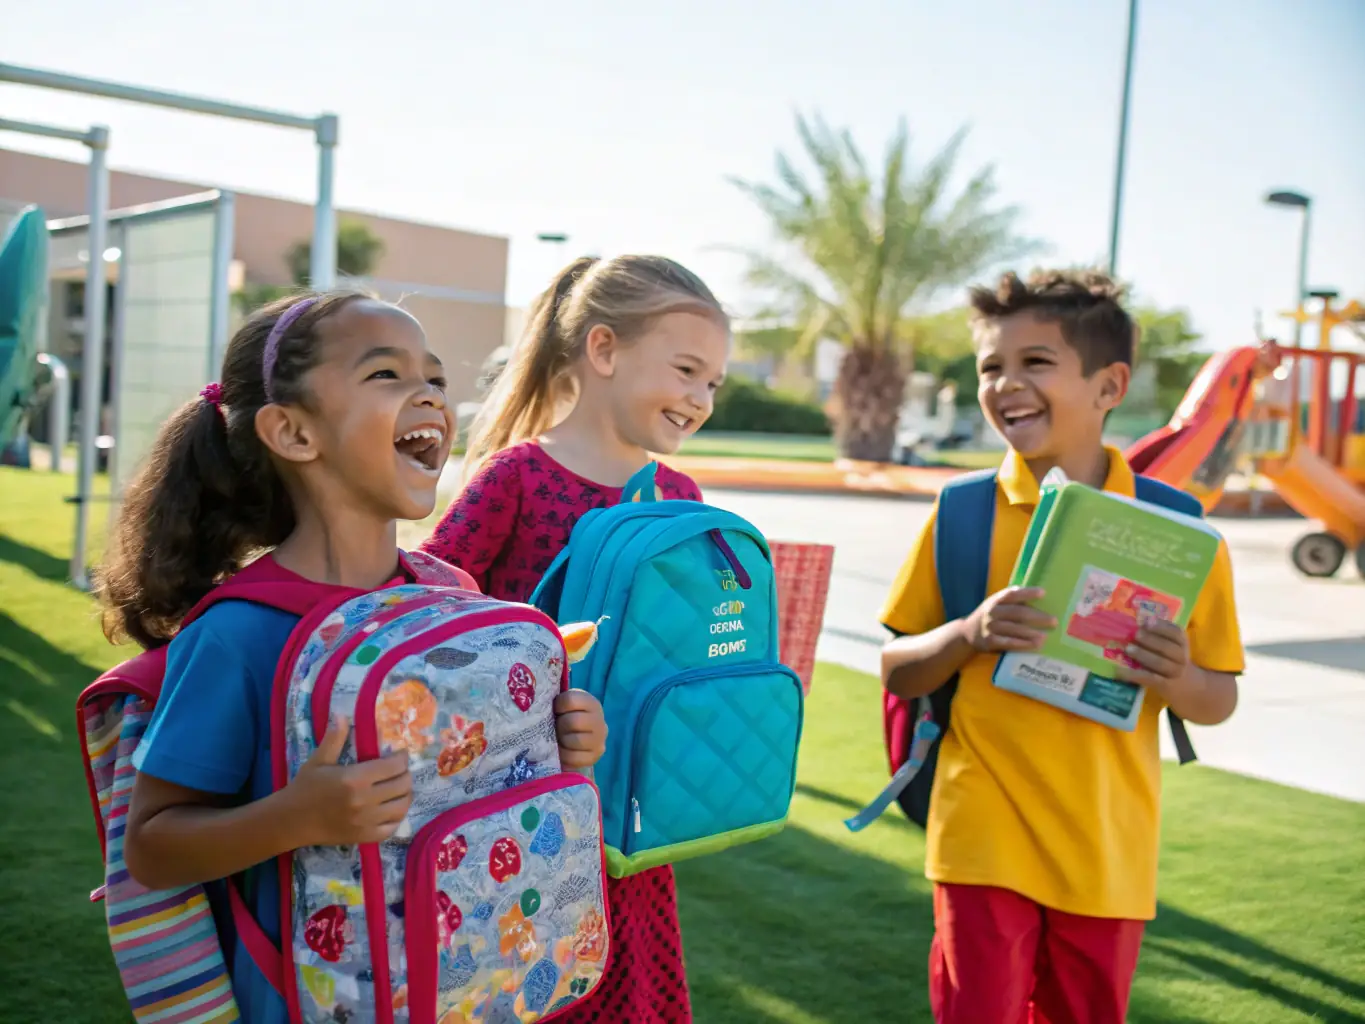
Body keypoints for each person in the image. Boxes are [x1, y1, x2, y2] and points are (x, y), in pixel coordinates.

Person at [99, 291, 608, 1024]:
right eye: (386, 374)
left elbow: (481, 780)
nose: (430, 395)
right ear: (293, 432)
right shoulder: (239, 633)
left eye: (434, 377)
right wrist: (295, 818)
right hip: (310, 999)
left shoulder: (451, 594)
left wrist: (562, 743)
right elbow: (151, 849)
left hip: (466, 985)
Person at [879, 269, 1244, 1024]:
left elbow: (1217, 701)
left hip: (1107, 846)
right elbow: (898, 669)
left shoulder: (1181, 532)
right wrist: (968, 633)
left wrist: (1176, 676)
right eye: (991, 366)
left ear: (1109, 385)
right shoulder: (962, 513)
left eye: (1035, 362)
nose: (1006, 384)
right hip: (980, 833)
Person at [421, 254, 731, 1023]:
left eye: (713, 384)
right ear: (603, 349)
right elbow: (425, 616)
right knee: (524, 985)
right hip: (515, 805)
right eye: (686, 371)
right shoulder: (516, 477)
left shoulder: (679, 496)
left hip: (626, 815)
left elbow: (683, 646)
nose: (700, 399)